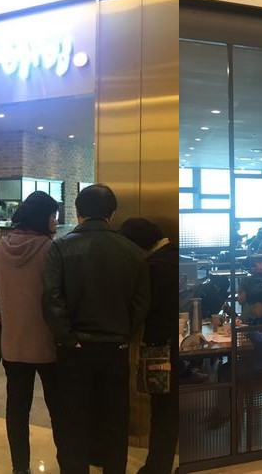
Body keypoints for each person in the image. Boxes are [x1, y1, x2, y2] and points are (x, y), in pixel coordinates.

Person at [41, 184, 149, 473]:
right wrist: (124, 333)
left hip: (74, 350)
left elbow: (51, 297)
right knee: (115, 418)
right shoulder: (132, 251)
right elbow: (141, 302)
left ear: (78, 212)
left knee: (73, 419)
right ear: (112, 214)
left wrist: (67, 337)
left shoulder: (60, 247)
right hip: (116, 348)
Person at [0, 191, 61, 472]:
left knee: (17, 408)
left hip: (13, 344)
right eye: (53, 216)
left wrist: (9, 299)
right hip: (48, 344)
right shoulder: (51, 249)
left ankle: (20, 467)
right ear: (43, 217)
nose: (55, 221)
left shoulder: (0, 248)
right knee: (58, 408)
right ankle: (67, 462)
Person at [121, 217, 179, 474]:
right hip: (180, 343)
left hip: (161, 348)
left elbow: (142, 308)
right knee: (171, 408)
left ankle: (157, 467)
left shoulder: (155, 267)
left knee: (163, 410)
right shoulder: (176, 255)